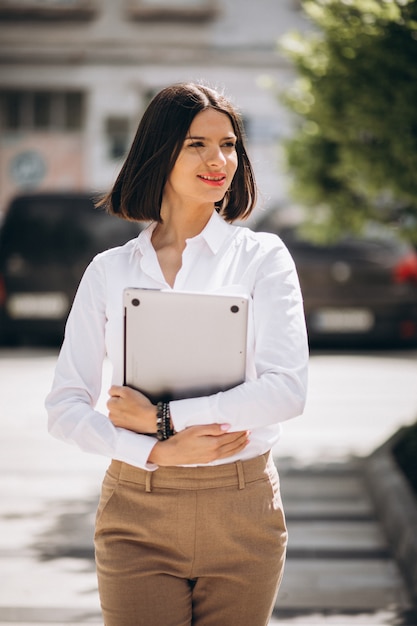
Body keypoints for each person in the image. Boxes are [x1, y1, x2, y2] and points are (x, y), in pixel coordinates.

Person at [45, 82, 309, 626]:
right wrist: (154, 451)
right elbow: (64, 407)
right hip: (136, 508)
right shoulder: (110, 271)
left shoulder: (262, 257)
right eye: (197, 144)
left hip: (242, 508)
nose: (220, 160)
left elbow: (286, 390)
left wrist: (162, 418)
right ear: (159, 151)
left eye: (230, 144)